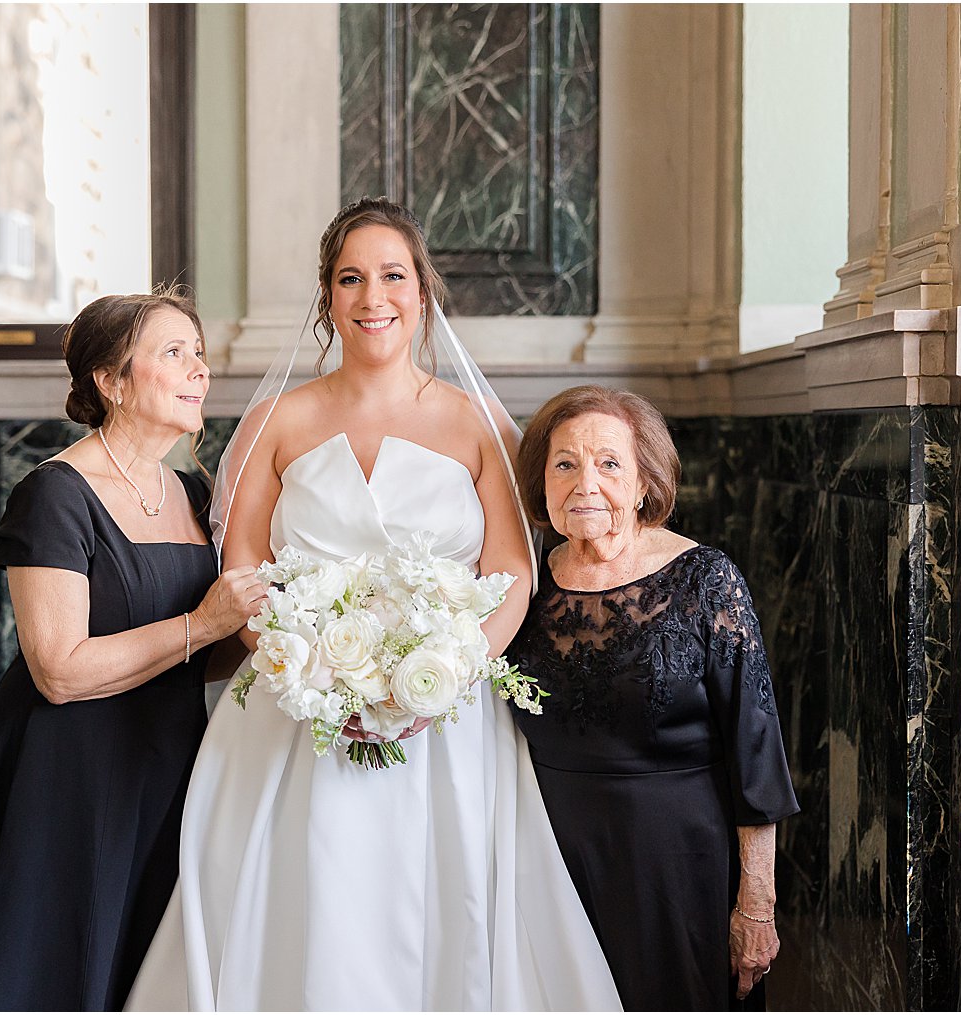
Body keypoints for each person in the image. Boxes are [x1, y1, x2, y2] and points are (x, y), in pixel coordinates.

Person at [125, 199, 621, 1011]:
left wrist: (447, 672)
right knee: (304, 910)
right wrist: (307, 672)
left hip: (447, 725)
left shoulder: (473, 423)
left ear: (421, 293)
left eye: (392, 275)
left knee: (440, 915)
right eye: (350, 278)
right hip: (294, 715)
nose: (371, 297)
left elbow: (511, 573)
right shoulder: (279, 421)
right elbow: (243, 569)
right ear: (327, 299)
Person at [0, 292, 268, 1011]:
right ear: (110, 382)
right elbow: (58, 669)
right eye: (173, 353)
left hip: (171, 759)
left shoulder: (192, 490)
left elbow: (221, 642)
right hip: (71, 768)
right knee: (61, 962)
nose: (199, 371)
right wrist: (205, 625)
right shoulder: (54, 494)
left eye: (199, 354)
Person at [504, 385, 799, 1010]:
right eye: (565, 463)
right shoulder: (522, 583)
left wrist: (756, 901)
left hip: (676, 866)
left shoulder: (705, 579)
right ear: (542, 481)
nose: (586, 482)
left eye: (609, 463)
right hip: (547, 859)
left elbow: (758, 754)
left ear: (645, 483)